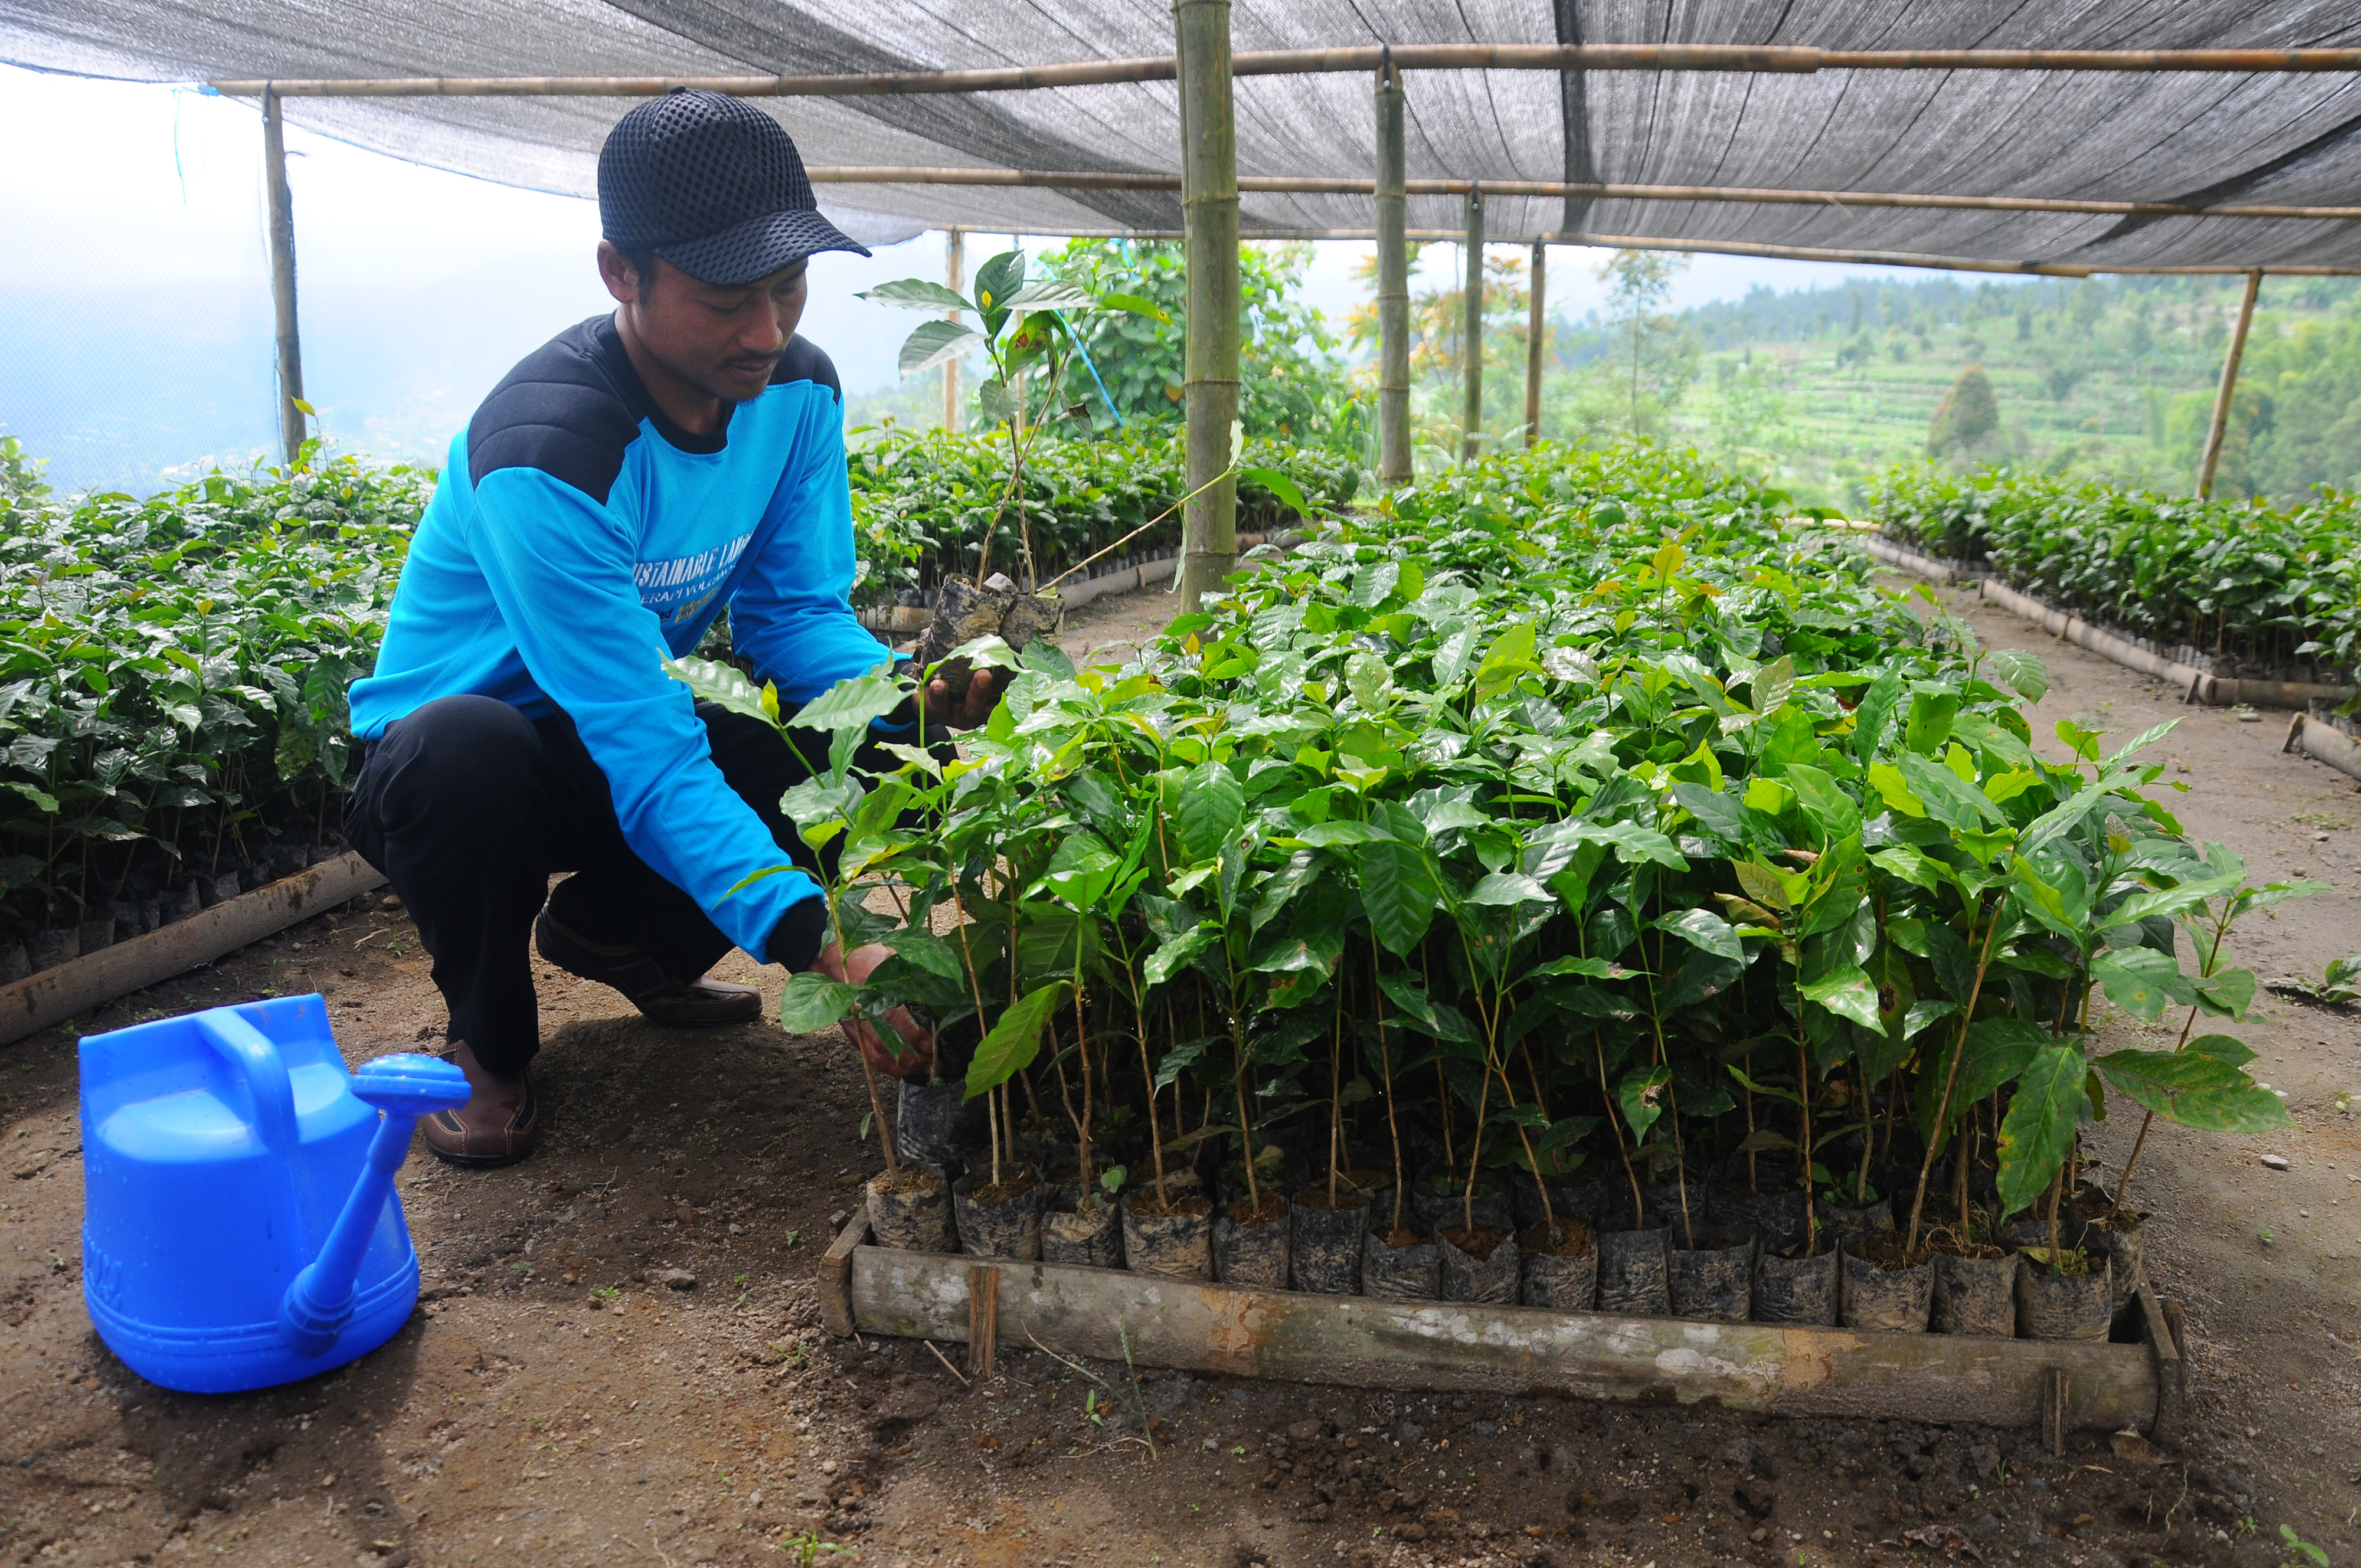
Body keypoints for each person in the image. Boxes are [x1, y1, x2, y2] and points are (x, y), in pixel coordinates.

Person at [345, 88, 992, 1168]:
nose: (766, 331)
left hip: (618, 725)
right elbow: (646, 748)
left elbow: (795, 620)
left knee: (863, 745)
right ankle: (487, 1047)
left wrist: (906, 698)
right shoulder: (549, 452)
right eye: (726, 300)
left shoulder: (797, 394)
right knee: (468, 750)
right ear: (621, 273)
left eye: (788, 288)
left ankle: (620, 933)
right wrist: (821, 943)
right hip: (466, 766)